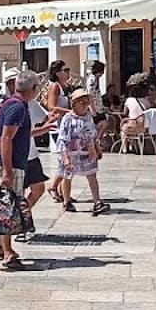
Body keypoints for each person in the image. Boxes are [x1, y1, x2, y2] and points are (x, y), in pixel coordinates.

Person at [0, 71, 39, 270]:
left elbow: (20, 134)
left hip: (12, 164)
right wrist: (8, 171)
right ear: (33, 90)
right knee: (9, 208)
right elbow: (5, 138)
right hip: (10, 165)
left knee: (8, 206)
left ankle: (4, 247)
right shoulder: (17, 107)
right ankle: (9, 253)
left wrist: (44, 129)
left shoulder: (13, 104)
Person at [56, 87, 109, 215]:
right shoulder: (68, 118)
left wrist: (97, 149)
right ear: (74, 103)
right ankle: (66, 201)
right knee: (67, 177)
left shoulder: (88, 117)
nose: (86, 105)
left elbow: (92, 134)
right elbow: (63, 139)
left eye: (87, 102)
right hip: (71, 152)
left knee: (92, 175)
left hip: (87, 151)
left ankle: (97, 202)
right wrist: (65, 158)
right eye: (82, 102)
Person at [46, 60, 72, 202]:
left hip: (66, 127)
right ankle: (54, 186)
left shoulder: (66, 86)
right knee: (64, 160)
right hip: (58, 127)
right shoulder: (55, 87)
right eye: (64, 70)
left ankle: (63, 192)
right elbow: (51, 106)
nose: (67, 72)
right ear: (57, 73)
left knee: (67, 159)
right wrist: (70, 112)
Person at [86, 60, 110, 146]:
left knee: (102, 123)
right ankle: (97, 140)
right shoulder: (92, 80)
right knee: (103, 123)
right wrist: (92, 108)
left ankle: (97, 139)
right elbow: (90, 95)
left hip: (98, 108)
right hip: (95, 108)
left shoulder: (94, 79)